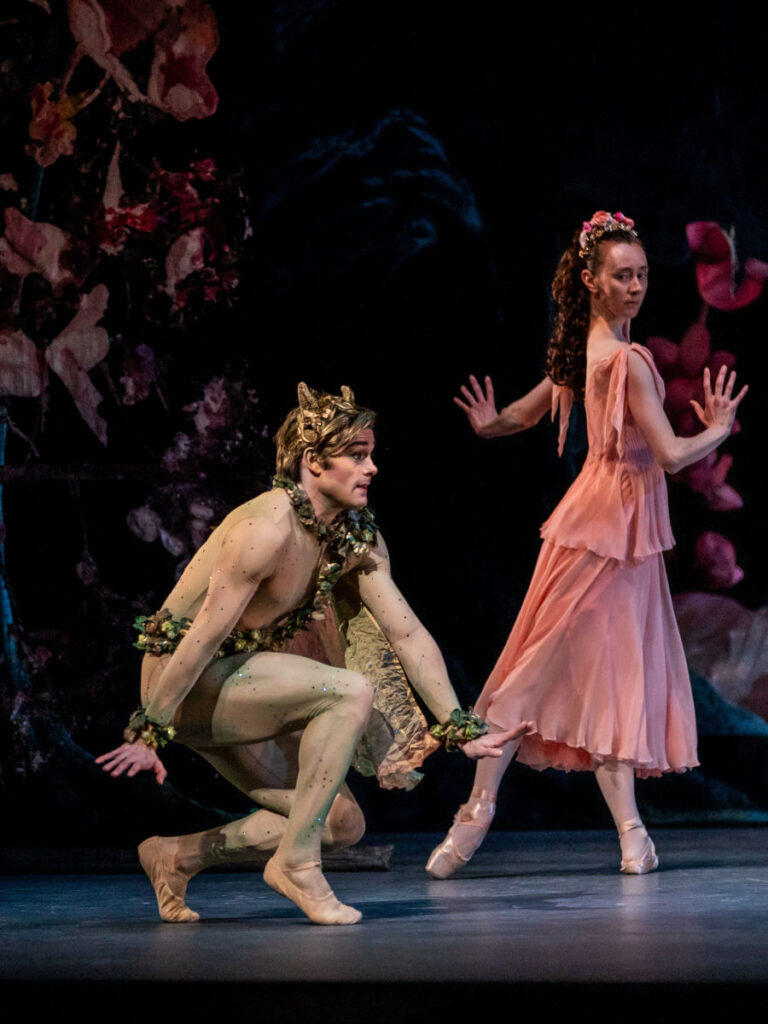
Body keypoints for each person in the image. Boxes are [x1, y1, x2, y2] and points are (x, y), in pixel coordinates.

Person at [97, 382, 528, 925]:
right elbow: (201, 636)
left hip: (243, 681)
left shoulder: (353, 538)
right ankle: (296, 865)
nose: (372, 468)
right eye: (357, 455)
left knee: (341, 824)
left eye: (370, 454)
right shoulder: (264, 529)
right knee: (348, 691)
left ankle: (176, 857)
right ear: (313, 461)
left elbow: (407, 634)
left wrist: (457, 724)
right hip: (183, 682)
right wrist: (149, 729)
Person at [426, 210, 748, 879]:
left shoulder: (584, 353)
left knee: (607, 680)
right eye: (622, 276)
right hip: (610, 529)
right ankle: (477, 814)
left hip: (604, 523)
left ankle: (630, 837)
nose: (636, 287)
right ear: (592, 281)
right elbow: (672, 454)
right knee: (543, 671)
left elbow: (524, 412)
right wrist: (717, 430)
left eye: (642, 275)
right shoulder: (626, 360)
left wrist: (491, 425)